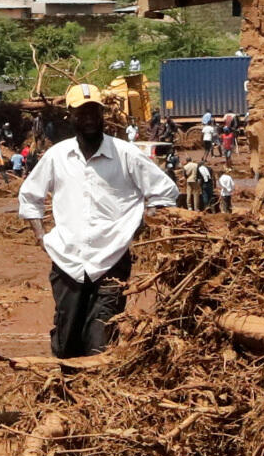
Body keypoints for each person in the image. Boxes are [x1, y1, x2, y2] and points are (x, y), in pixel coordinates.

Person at [19, 84, 178, 360]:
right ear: (71, 116)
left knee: (102, 336)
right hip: (67, 261)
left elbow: (164, 191)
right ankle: (69, 394)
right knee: (67, 339)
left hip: (112, 260)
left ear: (103, 115)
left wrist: (139, 226)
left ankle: (98, 396)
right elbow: (29, 197)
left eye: (95, 112)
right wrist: (40, 237)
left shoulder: (125, 154)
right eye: (83, 112)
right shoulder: (58, 156)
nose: (90, 118)